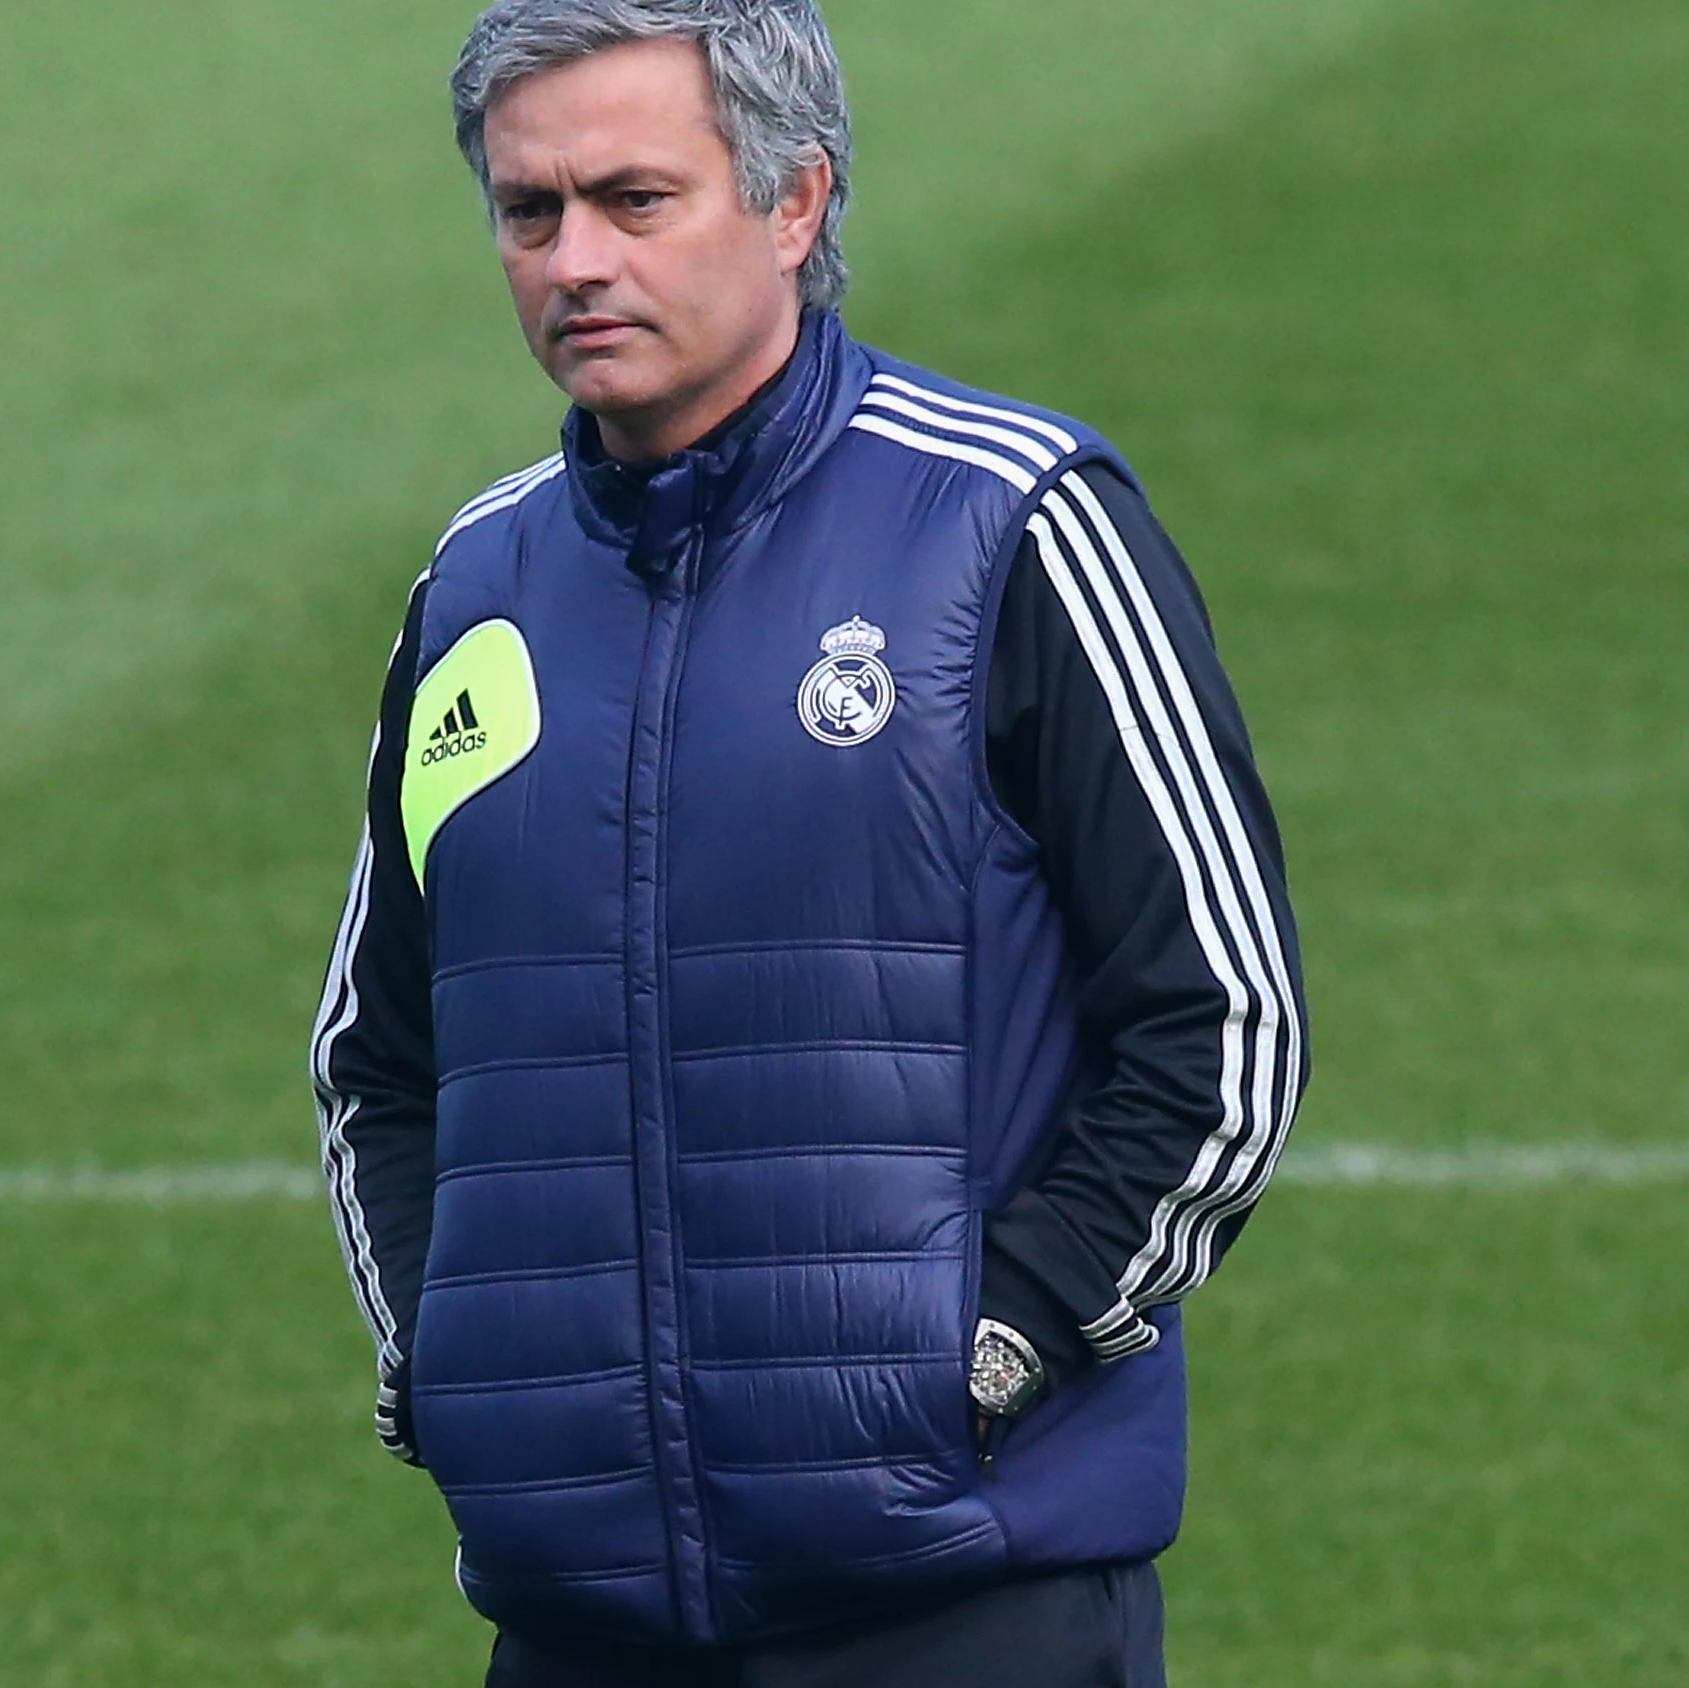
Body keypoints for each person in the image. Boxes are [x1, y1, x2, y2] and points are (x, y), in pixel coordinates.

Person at [307, 3, 1308, 1682]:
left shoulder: (1008, 525)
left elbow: (1224, 1021)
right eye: (528, 210)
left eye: (637, 201)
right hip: (579, 1619)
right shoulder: (478, 592)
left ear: (795, 205)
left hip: (964, 1597)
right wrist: (455, 1364)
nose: (573, 263)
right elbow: (374, 1057)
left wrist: (1005, 1343)